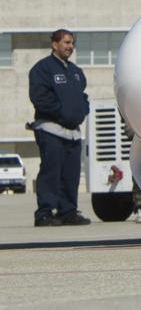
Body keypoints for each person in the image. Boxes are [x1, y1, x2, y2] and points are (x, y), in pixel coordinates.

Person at [28, 29, 91, 226]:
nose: (70, 47)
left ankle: (68, 211)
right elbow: (40, 98)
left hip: (72, 133)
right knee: (51, 172)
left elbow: (83, 97)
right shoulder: (42, 69)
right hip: (51, 130)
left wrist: (81, 111)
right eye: (66, 42)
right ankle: (45, 213)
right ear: (54, 44)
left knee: (71, 174)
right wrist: (63, 113)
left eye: (72, 43)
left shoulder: (75, 72)